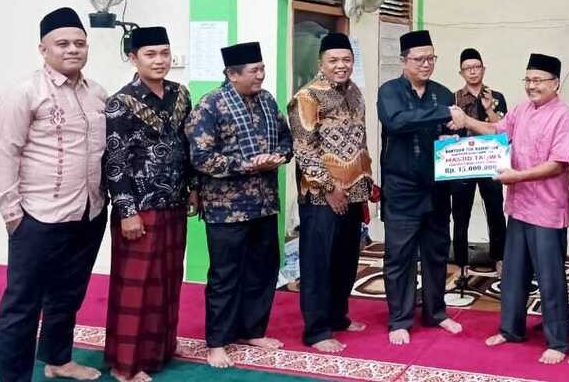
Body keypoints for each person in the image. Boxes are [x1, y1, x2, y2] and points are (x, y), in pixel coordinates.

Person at [0, 7, 108, 382]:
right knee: (22, 305)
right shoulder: (23, 93)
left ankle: (58, 360)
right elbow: (3, 155)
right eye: (63, 43)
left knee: (68, 295)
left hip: (89, 213)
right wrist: (12, 214)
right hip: (37, 216)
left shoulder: (97, 93)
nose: (72, 49)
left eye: (79, 43)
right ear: (43, 49)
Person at [455, 53, 569, 364]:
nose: (531, 86)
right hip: (519, 206)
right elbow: (498, 131)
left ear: (555, 83)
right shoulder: (521, 110)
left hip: (547, 210)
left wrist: (517, 176)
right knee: (513, 273)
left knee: (550, 278)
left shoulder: (564, 116)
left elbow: (557, 163)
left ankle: (558, 341)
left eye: (538, 81)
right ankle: (511, 329)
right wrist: (467, 121)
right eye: (528, 80)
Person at [185, 41, 293, 368]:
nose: (261, 75)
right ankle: (217, 342)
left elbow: (286, 139)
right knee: (225, 276)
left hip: (264, 204)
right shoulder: (210, 106)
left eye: (262, 69)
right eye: (254, 71)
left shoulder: (267, 100)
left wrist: (278, 157)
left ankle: (252, 331)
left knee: (263, 270)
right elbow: (201, 158)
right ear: (232, 74)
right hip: (226, 210)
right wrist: (247, 165)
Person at [103, 26, 197, 382]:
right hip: (140, 208)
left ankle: (161, 349)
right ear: (133, 58)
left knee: (168, 280)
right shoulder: (121, 102)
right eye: (150, 54)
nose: (160, 60)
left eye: (165, 53)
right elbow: (115, 163)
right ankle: (126, 364)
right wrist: (127, 212)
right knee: (136, 286)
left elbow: (187, 147)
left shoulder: (180, 94)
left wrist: (193, 188)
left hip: (174, 202)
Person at [377, 30, 466, 345]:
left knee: (436, 252)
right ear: (403, 61)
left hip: (437, 187)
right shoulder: (389, 91)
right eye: (419, 59)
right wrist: (444, 114)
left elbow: (453, 130)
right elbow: (397, 122)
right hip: (402, 188)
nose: (426, 64)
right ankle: (399, 319)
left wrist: (454, 134)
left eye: (431, 58)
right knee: (399, 256)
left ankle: (436, 312)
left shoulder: (443, 93)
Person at [288, 32, 373, 353]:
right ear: (320, 63)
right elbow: (304, 149)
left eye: (346, 60)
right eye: (333, 60)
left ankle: (338, 315)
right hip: (321, 196)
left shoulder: (355, 92)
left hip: (354, 192)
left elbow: (361, 141)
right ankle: (317, 330)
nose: (341, 65)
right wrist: (329, 187)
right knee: (318, 263)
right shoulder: (307, 96)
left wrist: (366, 182)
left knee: (345, 260)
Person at [451, 48, 508, 279]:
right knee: (460, 214)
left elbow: (504, 129)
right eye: (468, 68)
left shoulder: (496, 97)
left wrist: (489, 109)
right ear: (461, 72)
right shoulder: (454, 99)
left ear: (483, 69)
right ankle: (461, 263)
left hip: (490, 162)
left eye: (476, 67)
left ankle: (500, 258)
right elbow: (448, 131)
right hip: (463, 163)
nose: (473, 71)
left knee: (495, 211)